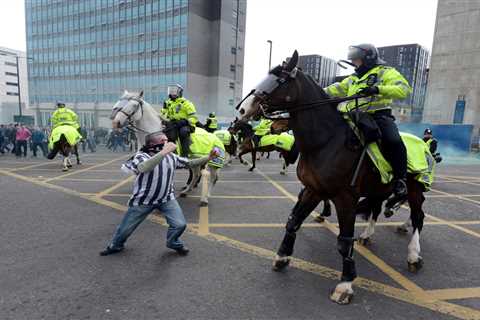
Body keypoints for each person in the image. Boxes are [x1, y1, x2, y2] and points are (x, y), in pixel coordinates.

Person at [100, 131, 219, 256]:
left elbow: (189, 163)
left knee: (180, 225)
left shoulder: (171, 156)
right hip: (143, 200)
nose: (167, 143)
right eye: (163, 141)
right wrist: (164, 152)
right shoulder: (142, 156)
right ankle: (116, 245)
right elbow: (143, 168)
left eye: (167, 140)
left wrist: (208, 157)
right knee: (125, 229)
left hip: (167, 198)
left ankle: (173, 242)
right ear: (151, 144)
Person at [324, 43, 412, 197]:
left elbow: (404, 89)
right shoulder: (353, 78)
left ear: (369, 58)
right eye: (354, 60)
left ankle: (400, 180)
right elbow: (336, 89)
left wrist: (378, 89)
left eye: (357, 60)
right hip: (354, 117)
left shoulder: (385, 72)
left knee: (394, 141)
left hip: (378, 117)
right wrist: (315, 90)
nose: (354, 64)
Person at [163, 84, 198, 157]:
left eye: (174, 92)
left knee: (183, 132)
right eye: (171, 91)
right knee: (169, 134)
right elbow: (164, 115)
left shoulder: (186, 103)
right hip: (174, 124)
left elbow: (194, 117)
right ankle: (173, 155)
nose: (172, 94)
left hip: (186, 124)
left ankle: (185, 155)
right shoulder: (168, 103)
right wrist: (164, 109)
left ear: (180, 93)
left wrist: (185, 121)